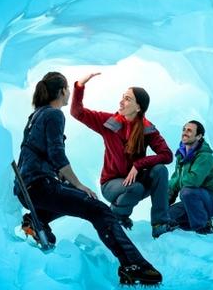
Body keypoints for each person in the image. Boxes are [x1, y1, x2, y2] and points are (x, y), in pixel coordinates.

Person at [13, 71, 162, 286]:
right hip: (40, 186)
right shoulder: (54, 115)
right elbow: (57, 155)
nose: (69, 94)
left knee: (71, 198)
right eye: (68, 90)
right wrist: (78, 184)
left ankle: (37, 220)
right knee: (98, 209)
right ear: (62, 91)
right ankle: (134, 265)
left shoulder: (36, 114)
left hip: (27, 189)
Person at [70, 72, 174, 238]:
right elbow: (77, 112)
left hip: (136, 180)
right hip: (111, 184)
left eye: (127, 99)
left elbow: (167, 155)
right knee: (136, 187)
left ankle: (160, 223)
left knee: (160, 170)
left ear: (138, 107)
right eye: (122, 97)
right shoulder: (108, 122)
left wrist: (139, 165)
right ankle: (117, 216)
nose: (121, 101)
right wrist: (80, 86)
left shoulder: (148, 129)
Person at [167, 120, 213, 234]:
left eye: (189, 130)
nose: (185, 132)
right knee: (167, 216)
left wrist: (178, 181)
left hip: (212, 200)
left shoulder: (205, 157)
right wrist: (165, 200)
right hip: (193, 202)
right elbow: (174, 182)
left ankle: (203, 227)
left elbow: (193, 181)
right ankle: (195, 224)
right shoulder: (181, 156)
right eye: (184, 129)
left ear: (199, 136)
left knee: (187, 191)